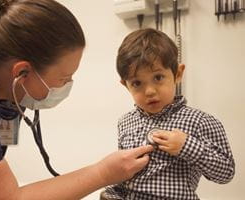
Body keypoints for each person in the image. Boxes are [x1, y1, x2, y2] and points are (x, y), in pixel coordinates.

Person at [0, 0, 154, 199]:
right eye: (64, 78)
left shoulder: (1, 75)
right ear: (22, 72)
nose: (68, 85)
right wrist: (104, 173)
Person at [100, 28, 235, 200]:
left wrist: (187, 146)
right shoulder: (125, 122)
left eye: (158, 78)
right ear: (126, 85)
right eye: (137, 83)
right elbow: (125, 172)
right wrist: (112, 192)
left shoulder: (200, 121)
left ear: (178, 74)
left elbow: (226, 173)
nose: (149, 91)